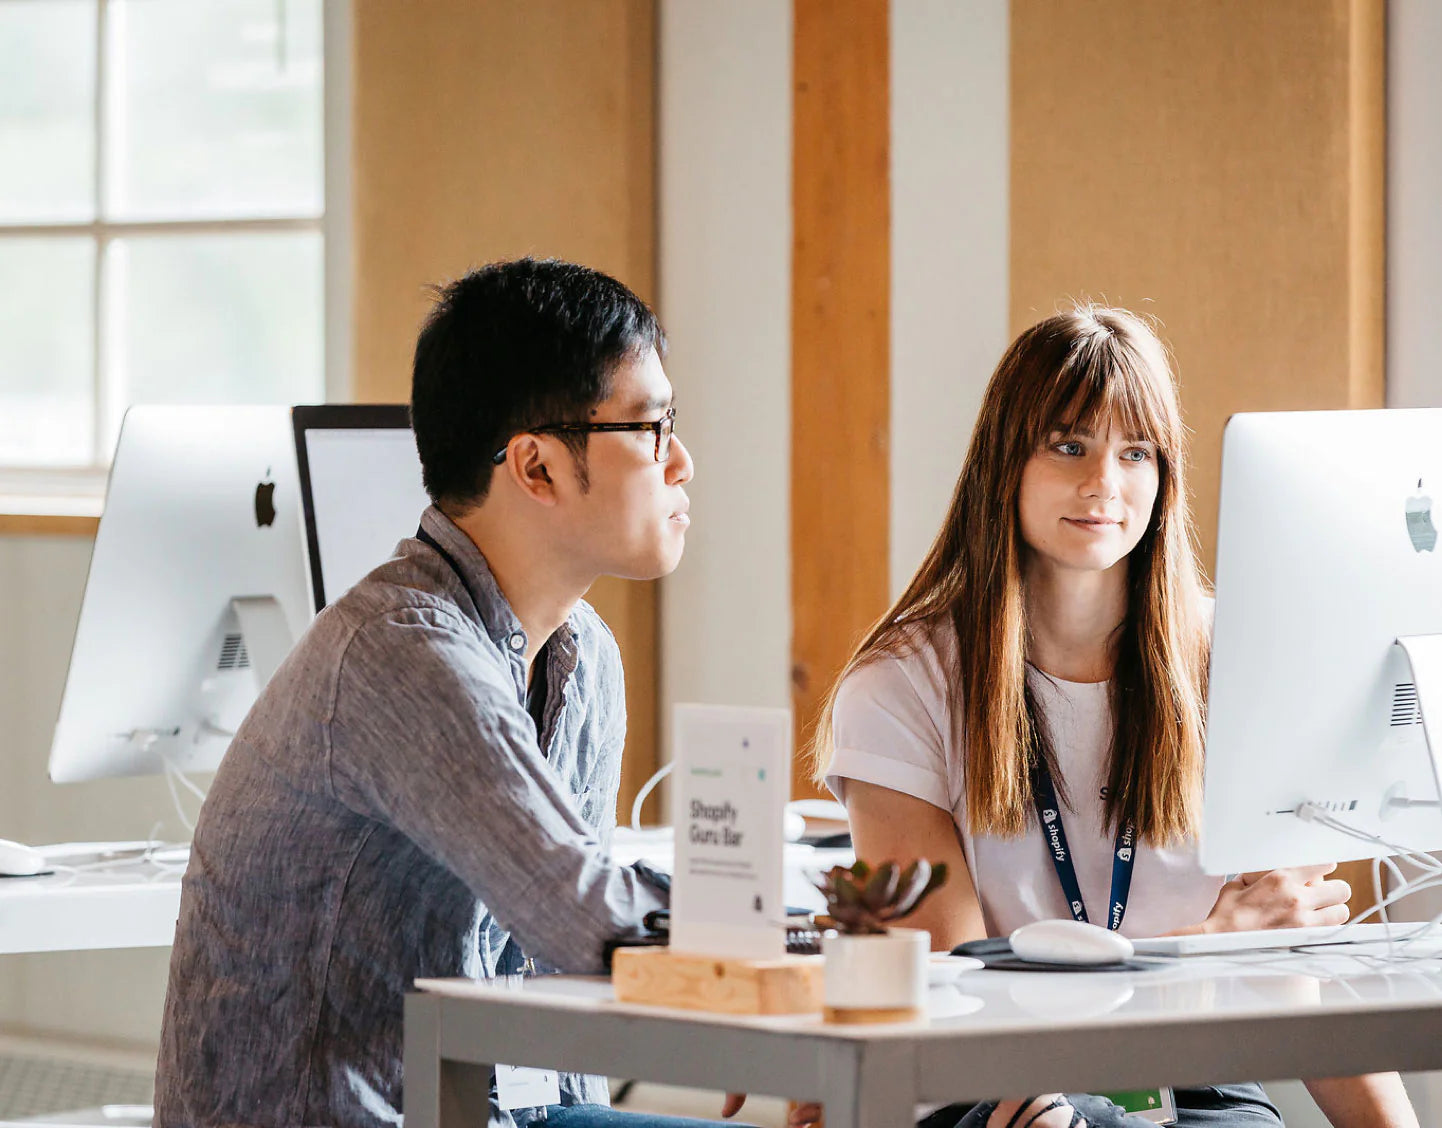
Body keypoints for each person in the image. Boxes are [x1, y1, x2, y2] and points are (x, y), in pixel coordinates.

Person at [807, 307, 1418, 1127]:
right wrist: (1205, 947)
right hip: (1001, 1082)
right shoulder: (901, 684)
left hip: (1192, 1068)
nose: (1105, 481)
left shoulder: (1241, 664)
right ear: (1005, 462)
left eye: (1136, 453)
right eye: (1069, 446)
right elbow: (956, 993)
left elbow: (1296, 976)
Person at [154, 258, 717, 1128]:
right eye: (650, 427)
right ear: (536, 467)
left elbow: (570, 966)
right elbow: (587, 917)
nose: (680, 460)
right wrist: (779, 942)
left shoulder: (587, 656)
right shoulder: (402, 652)